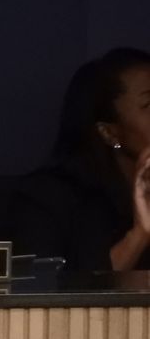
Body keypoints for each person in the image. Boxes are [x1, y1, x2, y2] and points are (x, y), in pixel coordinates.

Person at [12, 47, 150, 270]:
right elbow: (50, 298)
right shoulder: (48, 199)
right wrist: (139, 235)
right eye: (148, 105)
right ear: (109, 132)